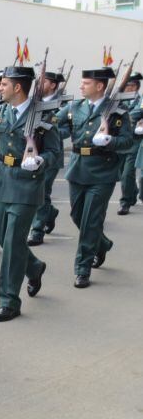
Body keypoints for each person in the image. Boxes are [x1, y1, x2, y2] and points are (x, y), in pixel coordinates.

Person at [0, 66, 58, 321]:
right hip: (1, 178)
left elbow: (55, 153)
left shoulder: (43, 115)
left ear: (17, 87)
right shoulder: (2, 109)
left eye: (4, 84)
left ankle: (9, 301)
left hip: (27, 183)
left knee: (14, 243)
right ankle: (34, 267)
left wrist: (41, 161)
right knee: (5, 238)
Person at [54, 67, 133, 288]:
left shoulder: (117, 111)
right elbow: (54, 125)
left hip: (103, 172)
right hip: (78, 168)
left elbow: (127, 142)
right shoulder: (75, 107)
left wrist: (110, 141)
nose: (81, 86)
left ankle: (83, 268)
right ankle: (102, 244)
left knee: (91, 221)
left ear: (99, 86)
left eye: (86, 83)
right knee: (77, 215)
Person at [27, 71, 69, 246]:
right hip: (30, 153)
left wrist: (51, 132)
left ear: (52, 85)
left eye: (43, 82)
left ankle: (37, 230)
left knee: (42, 192)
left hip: (51, 154)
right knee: (33, 191)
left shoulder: (62, 105)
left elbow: (68, 129)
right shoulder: (31, 102)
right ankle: (49, 213)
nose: (39, 84)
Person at [117, 72, 142, 215]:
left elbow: (137, 113)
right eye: (126, 85)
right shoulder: (120, 100)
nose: (127, 88)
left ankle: (124, 202)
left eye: (130, 85)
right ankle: (132, 193)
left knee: (127, 173)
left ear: (136, 86)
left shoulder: (141, 100)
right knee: (122, 173)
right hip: (120, 142)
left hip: (134, 142)